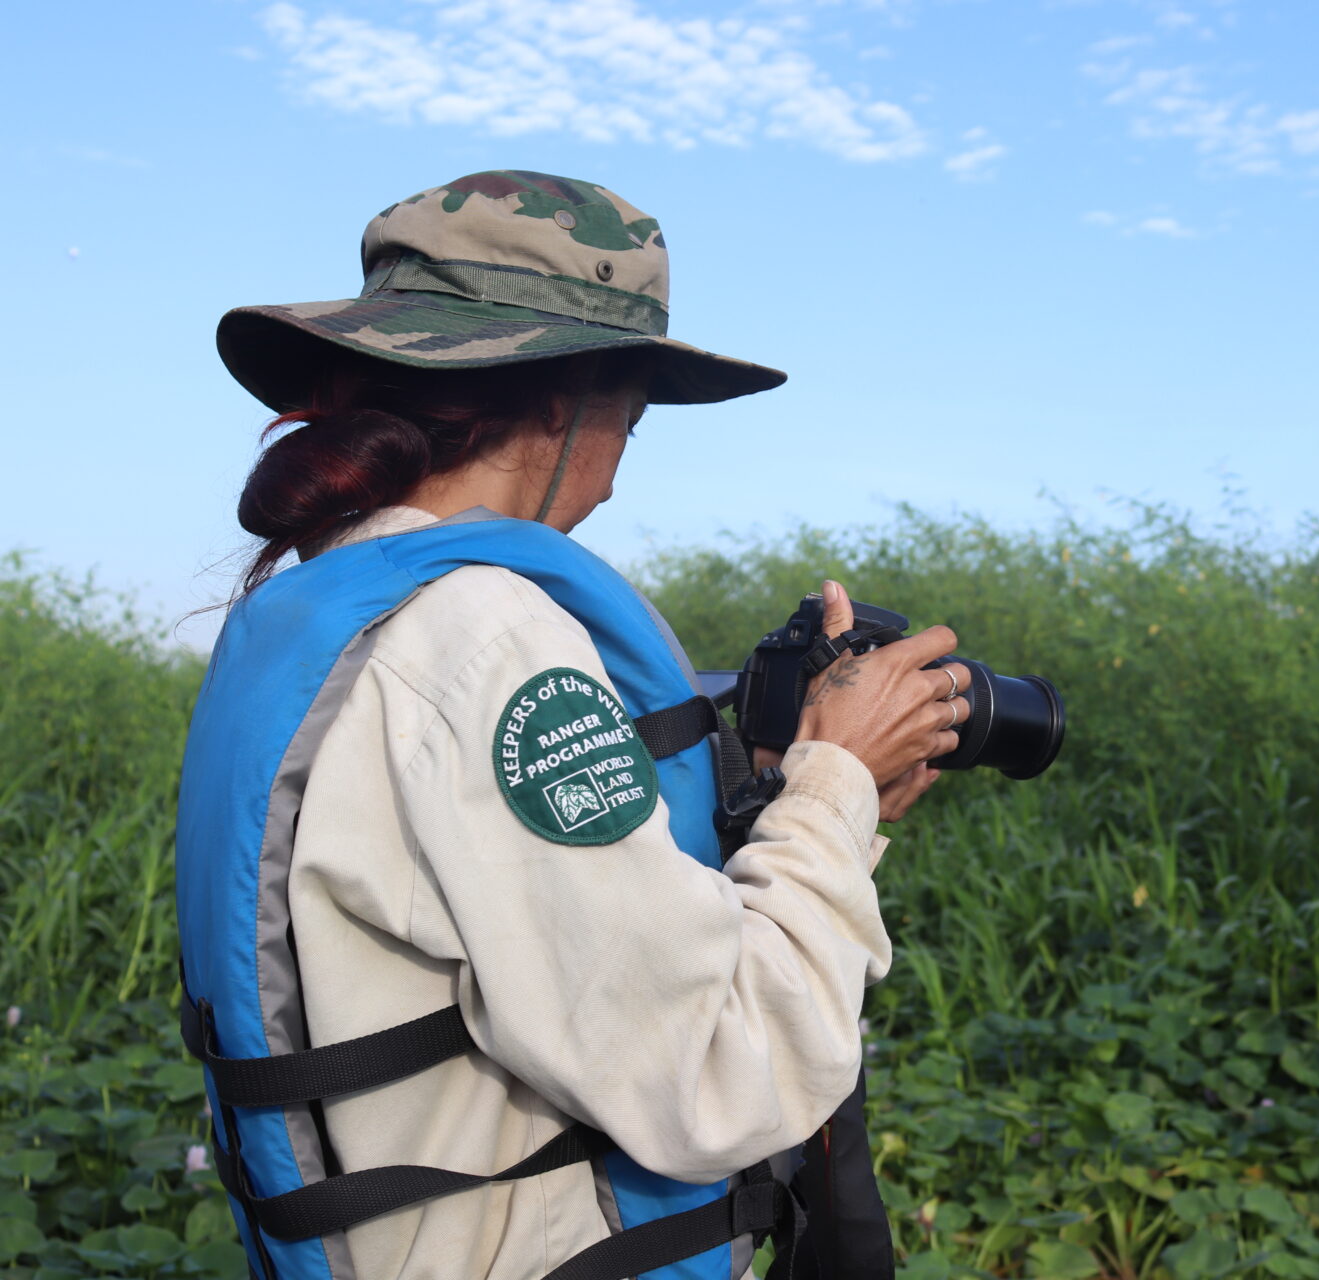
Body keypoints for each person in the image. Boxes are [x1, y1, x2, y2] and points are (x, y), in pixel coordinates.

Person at [174, 170, 969, 1280]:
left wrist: (791, 799)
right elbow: (720, 1071)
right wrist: (834, 784)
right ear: (564, 394)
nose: (619, 460)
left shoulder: (312, 614)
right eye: (632, 414)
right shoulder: (484, 638)